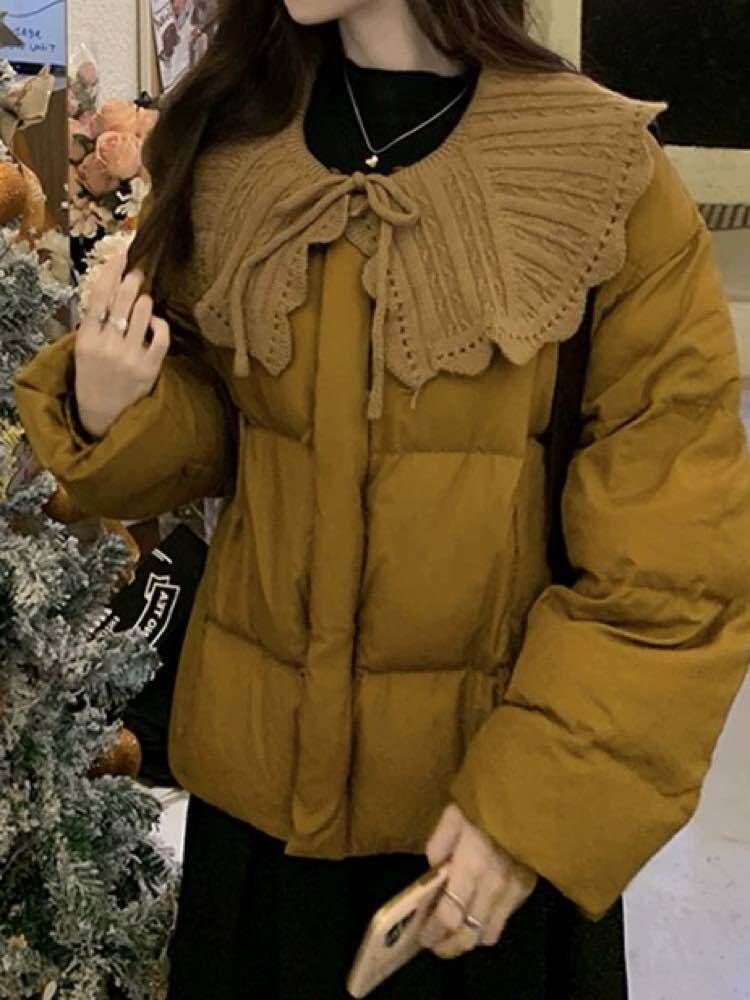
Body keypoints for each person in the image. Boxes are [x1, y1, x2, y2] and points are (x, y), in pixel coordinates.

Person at [15, 1, 750, 997]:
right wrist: (113, 407)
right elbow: (234, 434)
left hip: (473, 847)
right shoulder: (235, 142)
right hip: (255, 837)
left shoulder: (599, 169)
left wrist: (535, 805)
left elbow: (675, 562)